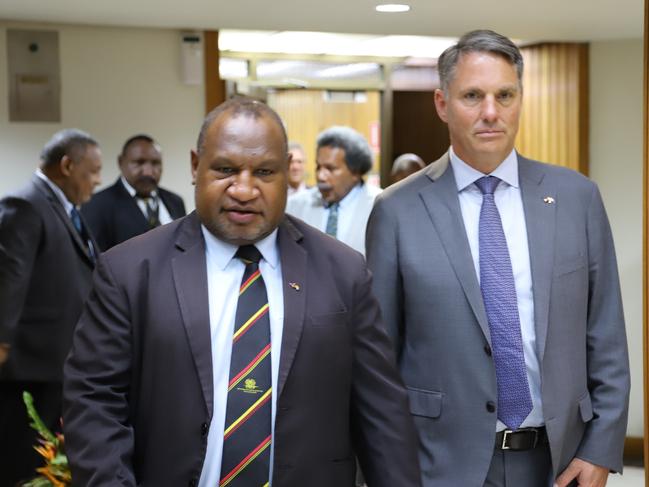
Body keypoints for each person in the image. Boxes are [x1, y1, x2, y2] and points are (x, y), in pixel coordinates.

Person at [63, 98, 421, 487]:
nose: (244, 189)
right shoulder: (130, 272)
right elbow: (94, 402)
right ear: (195, 165)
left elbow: (382, 415)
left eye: (264, 172)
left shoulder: (344, 271)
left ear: (286, 171)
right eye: (225, 170)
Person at [366, 30, 630, 487]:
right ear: (443, 104)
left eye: (504, 95)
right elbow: (377, 360)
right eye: (473, 96)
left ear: (520, 100)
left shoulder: (576, 198)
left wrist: (600, 449)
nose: (491, 112)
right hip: (439, 464)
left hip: (560, 462)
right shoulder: (397, 211)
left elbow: (605, 336)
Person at [0, 129, 102, 486]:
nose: (98, 180)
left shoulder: (64, 206)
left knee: (47, 461)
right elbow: (10, 278)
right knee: (23, 463)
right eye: (92, 171)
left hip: (57, 361)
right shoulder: (26, 203)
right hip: (29, 366)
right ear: (67, 165)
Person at [81, 134, 186, 251]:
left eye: (155, 163)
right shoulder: (96, 205)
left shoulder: (175, 201)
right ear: (121, 162)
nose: (148, 172)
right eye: (139, 163)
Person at [286, 126, 380, 255]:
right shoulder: (294, 206)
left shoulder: (379, 206)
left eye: (330, 169)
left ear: (355, 172)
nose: (320, 176)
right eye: (318, 167)